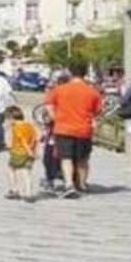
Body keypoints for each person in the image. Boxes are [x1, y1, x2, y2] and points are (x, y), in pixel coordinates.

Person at [47, 61, 103, 197]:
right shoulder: (92, 92)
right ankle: (82, 184)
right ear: (85, 74)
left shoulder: (59, 89)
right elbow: (98, 111)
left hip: (63, 128)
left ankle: (69, 184)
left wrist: (55, 118)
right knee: (82, 159)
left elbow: (49, 106)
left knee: (66, 158)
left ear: (70, 74)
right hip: (84, 129)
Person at [4, 104, 39, 200]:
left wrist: (28, 150)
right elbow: (35, 138)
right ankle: (29, 193)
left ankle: (14, 190)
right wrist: (34, 151)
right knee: (26, 173)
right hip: (30, 152)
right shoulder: (29, 126)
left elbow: (23, 140)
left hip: (19, 152)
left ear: (11, 118)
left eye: (7, 119)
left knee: (11, 169)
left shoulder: (16, 128)